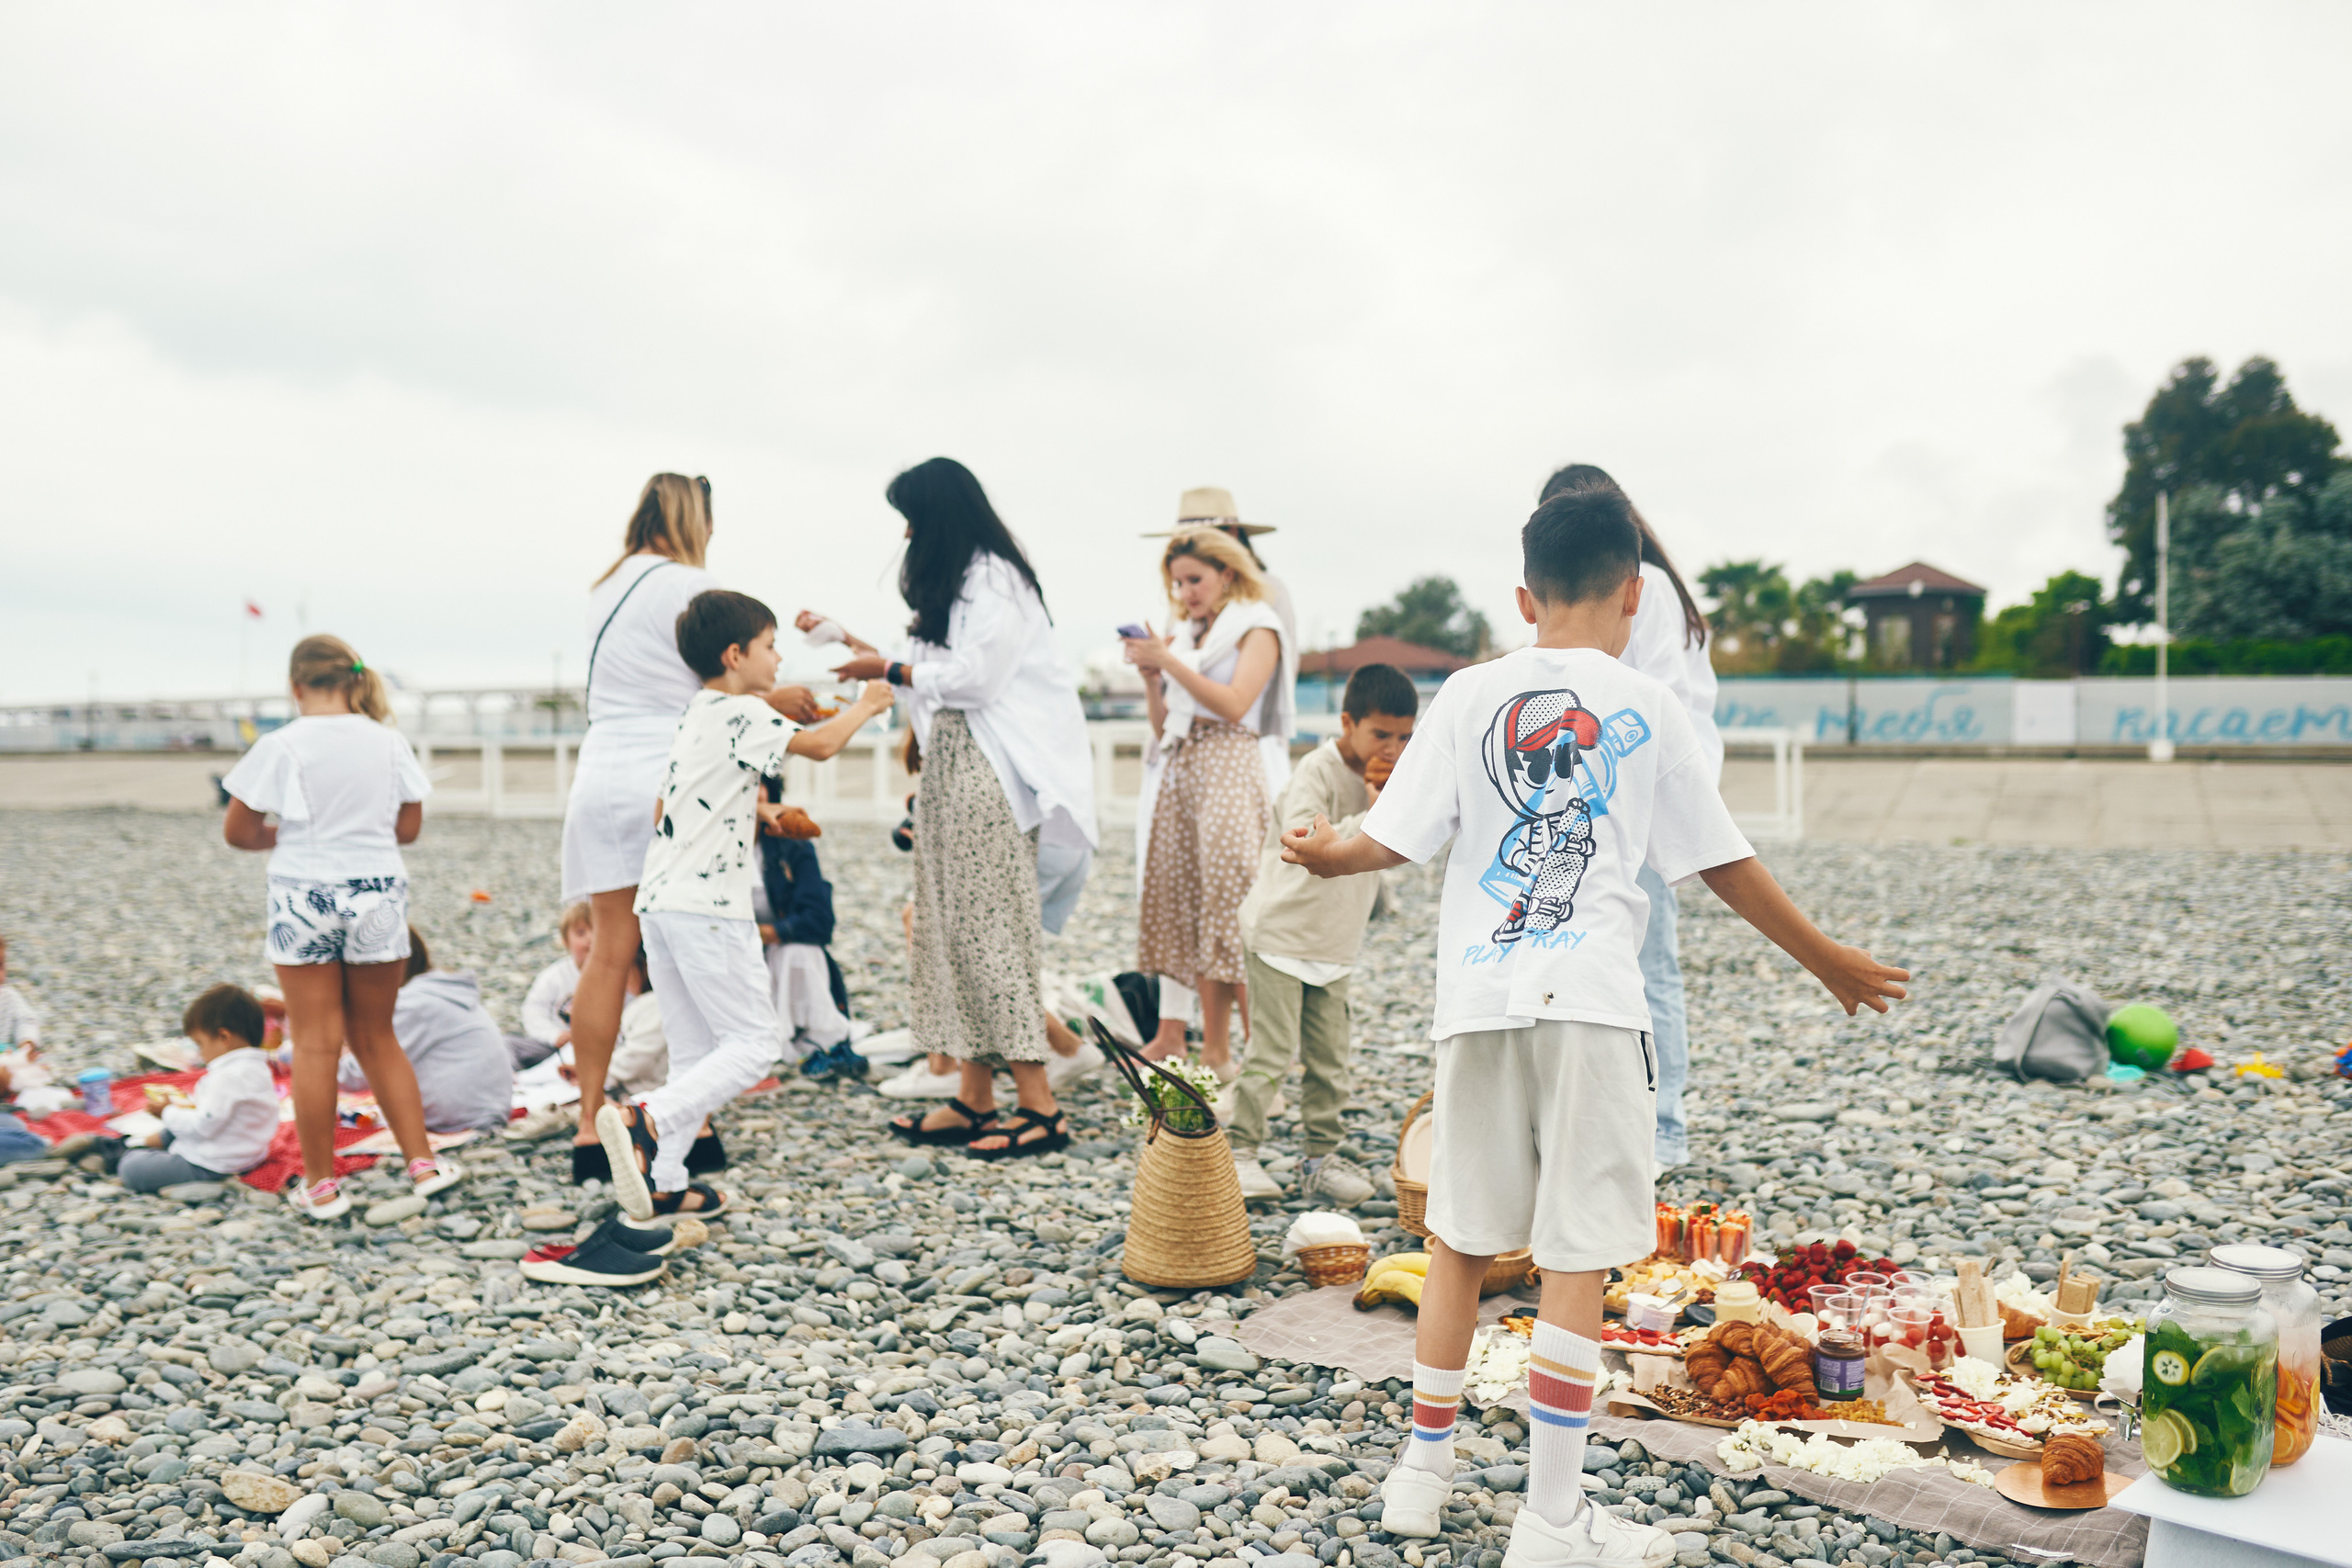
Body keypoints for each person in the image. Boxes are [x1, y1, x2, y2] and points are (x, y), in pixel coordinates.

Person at [1282, 487, 1908, 1568]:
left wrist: (1325, 854)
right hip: (1591, 1005)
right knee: (1575, 1256)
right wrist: (1825, 959)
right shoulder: (1648, 705)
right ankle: (1552, 1516)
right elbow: (1720, 860)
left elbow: (1389, 837)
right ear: (1634, 594)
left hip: (1477, 1004)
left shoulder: (1468, 694)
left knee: (1456, 1242)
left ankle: (1420, 1476)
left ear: (1524, 598)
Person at [809, 457, 1100, 1158]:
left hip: (990, 766)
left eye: (911, 518)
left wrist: (887, 667)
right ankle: (975, 1095)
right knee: (950, 927)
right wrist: (863, 649)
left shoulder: (995, 579)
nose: (906, 533)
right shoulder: (963, 582)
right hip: (956, 760)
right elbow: (929, 679)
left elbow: (976, 679)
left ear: (938, 517)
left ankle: (1040, 1103)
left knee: (988, 931)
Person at [597, 589, 895, 1217]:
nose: (779, 658)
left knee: (693, 1053)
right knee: (755, 1044)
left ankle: (666, 1180)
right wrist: (869, 705)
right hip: (709, 907)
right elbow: (820, 745)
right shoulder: (743, 711)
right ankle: (642, 1117)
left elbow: (666, 808)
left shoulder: (697, 713)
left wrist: (759, 814)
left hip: (660, 902)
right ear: (735, 654)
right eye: (770, 645)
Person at [559, 473, 821, 1183]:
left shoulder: (605, 586)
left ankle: (589, 1125)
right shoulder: (689, 584)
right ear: (692, 518)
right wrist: (782, 700)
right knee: (680, 943)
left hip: (600, 767)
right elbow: (714, 684)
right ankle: (684, 1118)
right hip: (665, 763)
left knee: (608, 951)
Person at [220, 634, 463, 1219]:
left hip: (304, 892)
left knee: (315, 1043)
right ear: (354, 679)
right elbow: (407, 829)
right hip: (376, 892)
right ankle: (423, 1164)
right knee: (377, 1037)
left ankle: (322, 1186)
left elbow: (239, 831)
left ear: (295, 686)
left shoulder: (281, 745)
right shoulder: (388, 742)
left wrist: (288, 835)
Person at [1541, 463, 1720, 1174]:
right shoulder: (1608, 590)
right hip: (1601, 798)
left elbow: (1659, 706)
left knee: (1649, 968)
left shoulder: (1650, 591)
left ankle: (1664, 1126)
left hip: (1646, 800)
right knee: (1590, 962)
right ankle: (1593, 1122)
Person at [1228, 663, 1418, 1207]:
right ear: (1347, 722)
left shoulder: (1397, 782)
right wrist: (1375, 815)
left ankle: (1319, 1159)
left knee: (1330, 1061)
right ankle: (1239, 1151)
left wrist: (1389, 806)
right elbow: (1303, 836)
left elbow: (1404, 846)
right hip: (1281, 934)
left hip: (1335, 944)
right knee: (1271, 1052)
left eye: (1404, 736)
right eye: (1381, 734)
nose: (1393, 748)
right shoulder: (1317, 769)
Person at [1124, 526, 1285, 1074]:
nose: (1186, 592)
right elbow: (1164, 726)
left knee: (1236, 908)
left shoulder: (1257, 626)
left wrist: (1170, 663)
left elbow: (1237, 704)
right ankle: (1216, 1054)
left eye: (1194, 579)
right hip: (1184, 770)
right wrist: (1153, 677)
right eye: (1178, 583)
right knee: (1197, 907)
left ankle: (1265, 1057)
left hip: (1230, 768)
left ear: (1226, 573)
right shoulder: (1191, 636)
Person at [1150, 488, 1300, 796]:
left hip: (1244, 751)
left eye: (1200, 536)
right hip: (1178, 747)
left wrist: (1167, 663)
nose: (1190, 544)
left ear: (1230, 535)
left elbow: (1268, 682)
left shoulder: (1267, 598)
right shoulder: (1184, 608)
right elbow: (1168, 688)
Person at [341, 927, 514, 1134]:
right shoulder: (438, 990)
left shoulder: (412, 1003)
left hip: (459, 1120)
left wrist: (315, 1055)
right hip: (487, 1109)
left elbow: (357, 1073)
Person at [119, 985, 278, 1193]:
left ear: (223, 1038)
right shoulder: (257, 1067)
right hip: (247, 1153)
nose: (199, 1054)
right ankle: (137, 1144)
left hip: (212, 1164)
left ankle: (128, 1150)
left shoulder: (228, 1077)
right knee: (174, 1127)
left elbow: (203, 1126)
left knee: (131, 1168)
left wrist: (166, 1111)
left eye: (200, 1044)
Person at [512, 902, 594, 1069]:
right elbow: (533, 1011)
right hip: (555, 1049)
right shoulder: (554, 976)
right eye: (581, 933)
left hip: (598, 1050)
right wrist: (554, 1035)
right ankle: (510, 1078)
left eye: (597, 932)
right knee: (509, 1044)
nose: (590, 939)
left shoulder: (617, 975)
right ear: (565, 941)